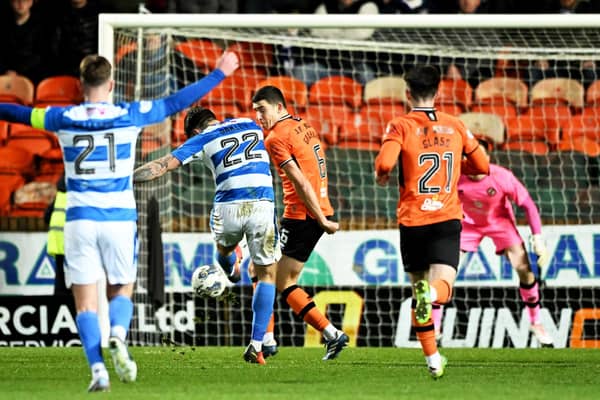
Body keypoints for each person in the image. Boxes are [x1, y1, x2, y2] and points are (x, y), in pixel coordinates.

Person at [0, 51, 239, 391]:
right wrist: (219, 74)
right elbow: (174, 102)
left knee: (84, 302)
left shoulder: (62, 116)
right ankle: (118, 334)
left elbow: (18, 113)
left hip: (79, 219)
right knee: (122, 288)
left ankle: (98, 370)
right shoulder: (130, 113)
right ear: (111, 84)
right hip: (119, 219)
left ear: (81, 85)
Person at [133, 106, 280, 365]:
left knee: (223, 249)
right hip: (262, 202)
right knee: (267, 274)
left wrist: (126, 179)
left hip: (228, 206)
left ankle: (231, 266)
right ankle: (257, 345)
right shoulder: (249, 123)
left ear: (195, 131)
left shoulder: (201, 139)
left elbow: (162, 166)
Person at [374, 65, 489, 379]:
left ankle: (433, 359)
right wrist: (454, 169)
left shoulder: (400, 125)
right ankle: (433, 345)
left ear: (407, 94)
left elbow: (385, 163)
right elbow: (482, 165)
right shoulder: (455, 125)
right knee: (442, 289)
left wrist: (381, 174)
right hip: (445, 218)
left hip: (413, 220)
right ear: (438, 92)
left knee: (419, 291)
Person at [252, 85, 349, 361]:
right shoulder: (301, 124)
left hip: (302, 215)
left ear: (280, 107)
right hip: (314, 210)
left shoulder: (275, 138)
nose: (259, 116)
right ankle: (330, 334)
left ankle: (267, 341)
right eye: (256, 111)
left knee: (264, 274)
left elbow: (300, 180)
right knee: (279, 277)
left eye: (263, 109)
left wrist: (320, 218)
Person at [435, 137, 553, 347]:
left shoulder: (501, 177)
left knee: (524, 269)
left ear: (486, 157)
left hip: (500, 223)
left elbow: (528, 205)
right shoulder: (455, 176)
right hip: (467, 225)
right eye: (468, 155)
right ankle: (434, 328)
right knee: (444, 273)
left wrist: (538, 238)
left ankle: (536, 322)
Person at [45, 174, 69, 296]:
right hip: (73, 243)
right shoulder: (77, 196)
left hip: (57, 243)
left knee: (60, 279)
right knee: (78, 279)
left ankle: (59, 307)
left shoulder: (59, 197)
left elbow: (47, 216)